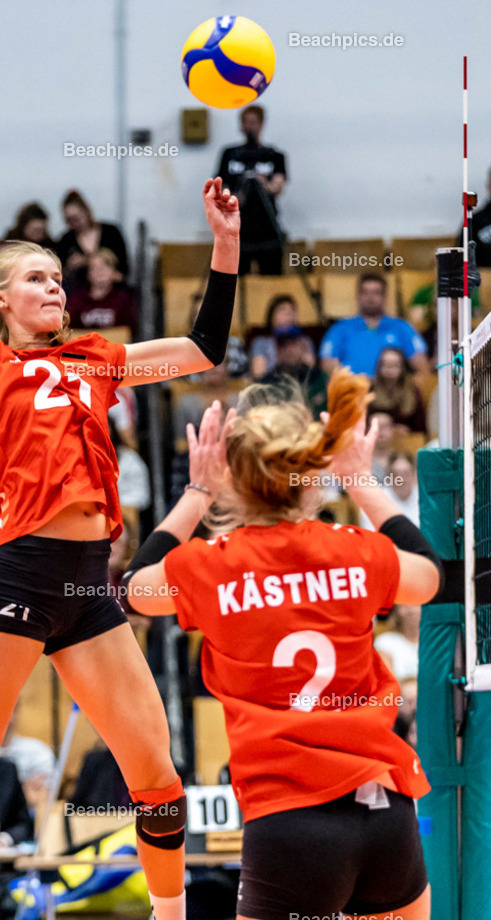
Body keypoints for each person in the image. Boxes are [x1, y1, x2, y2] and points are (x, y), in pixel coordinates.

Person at [0, 175, 239, 920]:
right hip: (18, 573)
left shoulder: (97, 359)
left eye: (57, 277)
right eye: (35, 278)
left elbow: (205, 347)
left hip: (86, 584)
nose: (53, 287)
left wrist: (225, 241)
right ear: (2, 298)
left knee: (158, 781)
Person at [125, 375, 441, 920]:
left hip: (289, 822)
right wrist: (359, 478)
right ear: (308, 475)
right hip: (384, 809)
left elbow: (132, 588)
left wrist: (197, 492)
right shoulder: (353, 551)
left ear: (233, 479)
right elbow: (432, 576)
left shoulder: (210, 566)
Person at [216, 104, 287, 276]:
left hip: (267, 229)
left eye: (253, 122)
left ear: (261, 124)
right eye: (246, 122)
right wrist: (232, 197)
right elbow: (220, 185)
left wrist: (264, 184)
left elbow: (278, 185)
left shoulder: (274, 155)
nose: (249, 127)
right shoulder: (230, 154)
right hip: (238, 228)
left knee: (271, 278)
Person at [320, 274, 429, 379]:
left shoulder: (402, 328)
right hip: (352, 393)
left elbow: (423, 369)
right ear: (357, 296)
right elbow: (327, 365)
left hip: (390, 394)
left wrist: (404, 390)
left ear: (385, 296)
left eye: (376, 292)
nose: (370, 297)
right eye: (365, 292)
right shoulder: (340, 329)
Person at [57, 189, 129, 287]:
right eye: (69, 220)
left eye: (77, 219)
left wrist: (87, 261)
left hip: (112, 291)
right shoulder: (67, 240)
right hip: (79, 293)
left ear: (87, 212)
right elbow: (61, 273)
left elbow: (124, 270)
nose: (74, 224)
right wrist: (69, 268)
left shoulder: (111, 233)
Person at [66, 249, 137, 334]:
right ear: (88, 273)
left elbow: (129, 331)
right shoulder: (77, 299)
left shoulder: (122, 298)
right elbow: (68, 329)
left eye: (105, 267)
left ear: (114, 273)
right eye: (95, 267)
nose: (100, 271)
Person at [248, 294, 314, 381]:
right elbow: (259, 376)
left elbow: (310, 374)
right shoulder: (261, 343)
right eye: (282, 309)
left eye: (292, 310)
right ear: (272, 316)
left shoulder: (304, 342)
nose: (288, 314)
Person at [371, 348, 426, 434]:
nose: (389, 369)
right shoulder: (371, 389)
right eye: (385, 365)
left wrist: (408, 430)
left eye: (394, 365)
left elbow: (420, 425)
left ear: (402, 367)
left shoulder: (412, 390)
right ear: (379, 367)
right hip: (377, 438)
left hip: (405, 440)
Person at [374, 605, 421, 683]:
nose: (411, 611)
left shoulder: (435, 644)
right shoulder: (385, 641)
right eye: (405, 606)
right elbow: (387, 680)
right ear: (396, 610)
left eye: (417, 605)